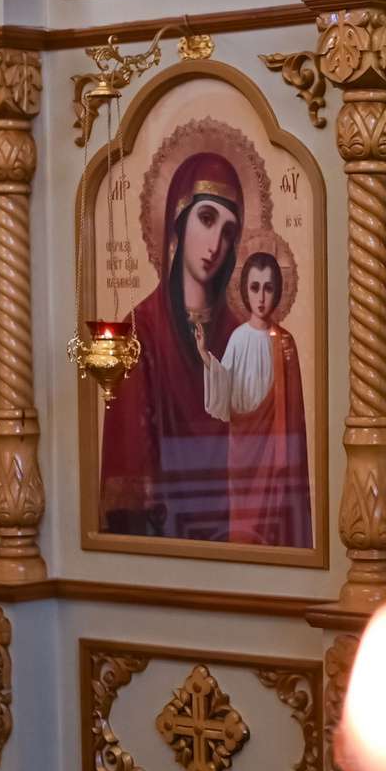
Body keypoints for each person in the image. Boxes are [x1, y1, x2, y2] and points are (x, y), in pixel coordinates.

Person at [101, 152, 245, 539]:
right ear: (178, 222)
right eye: (207, 218)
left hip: (233, 540)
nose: (216, 243)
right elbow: (129, 460)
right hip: (162, 534)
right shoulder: (141, 328)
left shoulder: (240, 336)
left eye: (229, 230)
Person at [203, 250, 311, 548]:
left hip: (273, 447)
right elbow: (223, 386)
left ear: (277, 292)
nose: (261, 297)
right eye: (254, 287)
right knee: (244, 520)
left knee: (272, 519)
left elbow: (293, 409)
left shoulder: (285, 341)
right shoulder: (238, 337)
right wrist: (205, 358)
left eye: (268, 287)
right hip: (242, 446)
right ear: (244, 291)